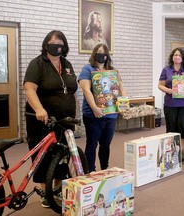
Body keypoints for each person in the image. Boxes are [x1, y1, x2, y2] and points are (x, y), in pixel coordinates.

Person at [23, 30, 77, 207]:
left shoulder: (67, 64)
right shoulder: (37, 63)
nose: (56, 45)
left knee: (62, 154)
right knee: (44, 155)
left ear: (64, 46)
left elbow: (71, 90)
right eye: (52, 41)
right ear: (46, 44)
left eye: (60, 42)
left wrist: (74, 113)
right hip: (42, 119)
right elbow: (29, 89)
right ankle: (44, 192)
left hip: (65, 119)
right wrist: (39, 109)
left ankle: (57, 189)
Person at [78, 43, 125, 172]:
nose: (102, 54)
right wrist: (94, 108)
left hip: (111, 115)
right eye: (99, 51)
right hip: (93, 114)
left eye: (104, 52)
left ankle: (105, 169)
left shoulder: (112, 71)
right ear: (94, 53)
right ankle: (90, 171)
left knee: (106, 144)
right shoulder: (88, 69)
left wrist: (123, 103)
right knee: (92, 144)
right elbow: (86, 90)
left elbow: (119, 88)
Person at [158, 48, 184, 162]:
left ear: (183, 57)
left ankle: (182, 151)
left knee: (183, 126)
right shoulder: (166, 70)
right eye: (175, 55)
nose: (177, 57)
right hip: (170, 104)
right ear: (172, 57)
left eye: (179, 55)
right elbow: (160, 85)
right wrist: (167, 90)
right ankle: (171, 151)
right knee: (171, 128)